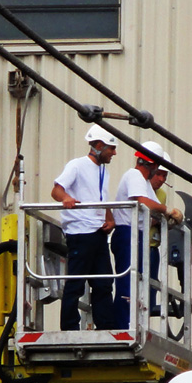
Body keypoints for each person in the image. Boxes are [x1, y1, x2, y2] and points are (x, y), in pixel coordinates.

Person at [51, 124, 118, 331]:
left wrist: (110, 218)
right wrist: (67, 198)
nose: (113, 153)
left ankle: (105, 326)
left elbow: (100, 198)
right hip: (80, 232)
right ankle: (70, 327)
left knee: (104, 282)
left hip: (97, 232)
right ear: (98, 145)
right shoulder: (77, 165)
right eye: (111, 148)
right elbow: (56, 190)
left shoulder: (103, 172)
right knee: (76, 282)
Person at [110, 141, 183, 328]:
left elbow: (148, 212)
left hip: (137, 235)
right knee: (128, 282)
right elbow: (143, 202)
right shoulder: (134, 175)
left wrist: (163, 218)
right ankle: (122, 325)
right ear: (152, 165)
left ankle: (135, 324)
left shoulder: (143, 183)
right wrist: (167, 210)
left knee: (140, 283)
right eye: (157, 168)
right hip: (128, 233)